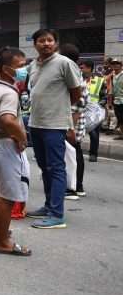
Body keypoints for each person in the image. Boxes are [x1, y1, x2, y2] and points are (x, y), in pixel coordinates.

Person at [26, 29, 82, 229]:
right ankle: (49, 205)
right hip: (35, 123)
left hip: (55, 125)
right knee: (44, 167)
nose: (46, 44)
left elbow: (76, 92)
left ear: (56, 43)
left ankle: (57, 214)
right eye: (42, 40)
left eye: (50, 40)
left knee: (56, 168)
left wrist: (65, 115)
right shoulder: (33, 65)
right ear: (35, 44)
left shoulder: (65, 63)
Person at [0, 47, 31, 256]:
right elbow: (8, 119)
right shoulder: (9, 92)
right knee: (8, 197)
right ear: (6, 69)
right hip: (5, 146)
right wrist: (22, 137)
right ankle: (3, 242)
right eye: (20, 66)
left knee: (0, 192)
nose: (24, 70)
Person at [59, 44, 88, 201]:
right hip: (73, 121)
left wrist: (71, 128)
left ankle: (73, 187)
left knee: (72, 154)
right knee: (75, 152)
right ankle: (78, 186)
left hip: (72, 122)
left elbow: (76, 106)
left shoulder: (73, 74)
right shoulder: (74, 72)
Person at [80, 59, 106, 162]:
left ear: (89, 68)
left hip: (94, 112)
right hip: (80, 109)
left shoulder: (99, 80)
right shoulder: (77, 79)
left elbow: (104, 96)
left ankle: (93, 154)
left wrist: (99, 106)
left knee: (94, 133)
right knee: (77, 132)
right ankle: (75, 151)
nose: (81, 69)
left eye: (82, 67)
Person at [111, 58, 123, 137]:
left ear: (121, 65)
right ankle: (122, 135)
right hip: (116, 100)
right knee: (120, 118)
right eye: (114, 64)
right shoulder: (113, 76)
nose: (115, 65)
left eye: (117, 64)